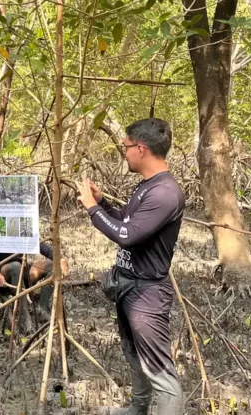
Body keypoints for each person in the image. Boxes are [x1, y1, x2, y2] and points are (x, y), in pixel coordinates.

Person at [76, 118, 185, 415]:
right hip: (128, 285)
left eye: (125, 147)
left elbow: (128, 234)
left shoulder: (165, 193)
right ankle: (137, 410)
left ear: (141, 148)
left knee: (160, 371)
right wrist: (103, 204)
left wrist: (92, 208)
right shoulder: (147, 187)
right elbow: (127, 219)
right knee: (134, 354)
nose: (123, 153)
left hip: (147, 294)